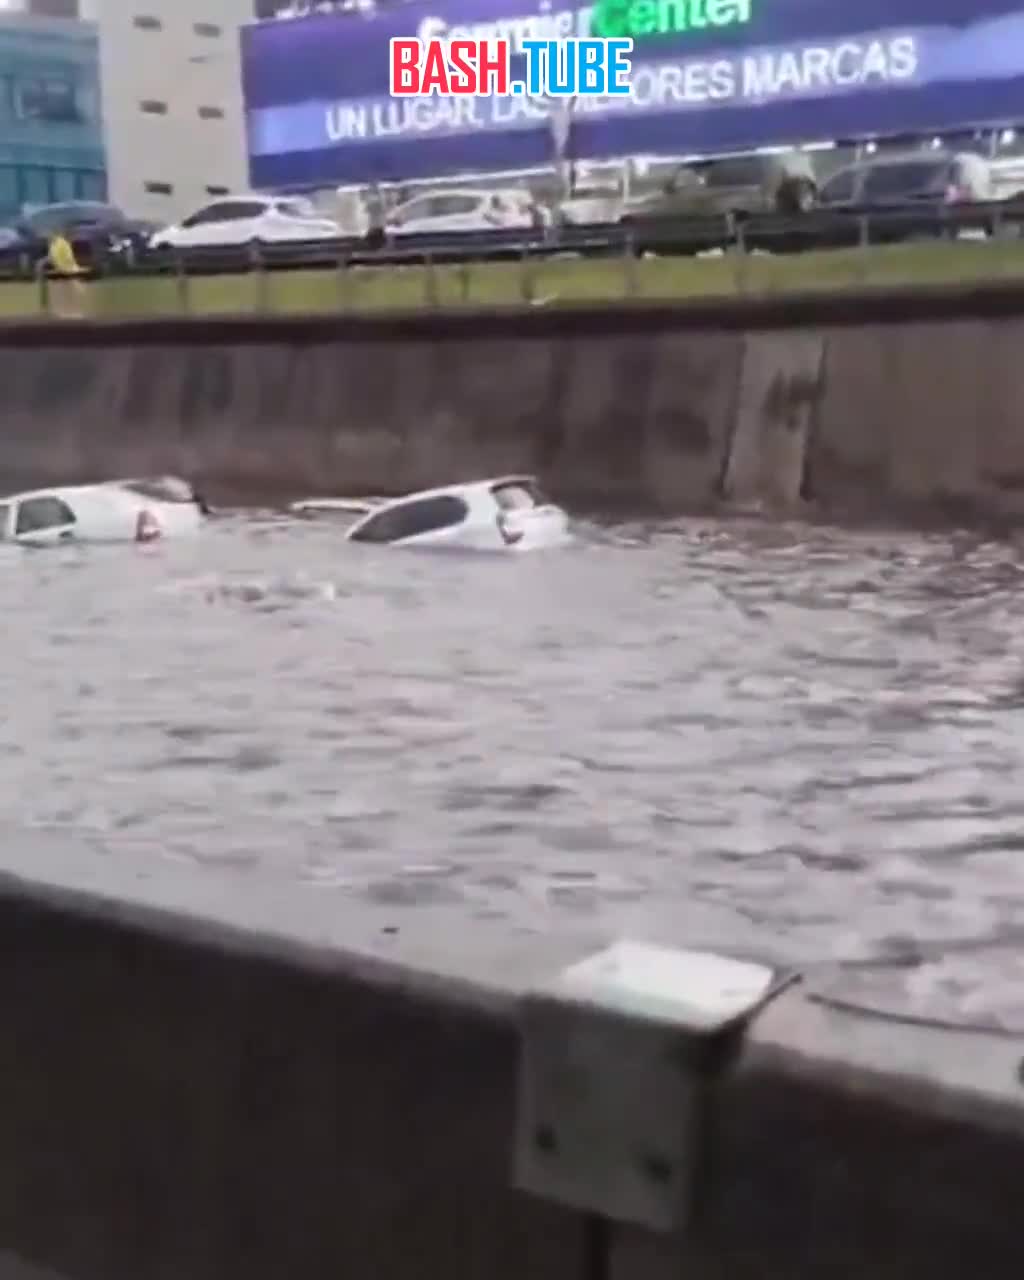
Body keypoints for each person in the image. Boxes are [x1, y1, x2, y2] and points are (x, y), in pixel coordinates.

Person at [47, 227, 87, 319]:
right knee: (64, 293)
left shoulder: (62, 243)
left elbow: (69, 258)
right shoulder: (53, 245)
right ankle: (65, 312)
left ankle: (76, 313)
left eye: (50, 234)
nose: (49, 237)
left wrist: (66, 268)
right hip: (62, 271)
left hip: (70, 270)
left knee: (75, 291)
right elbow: (52, 258)